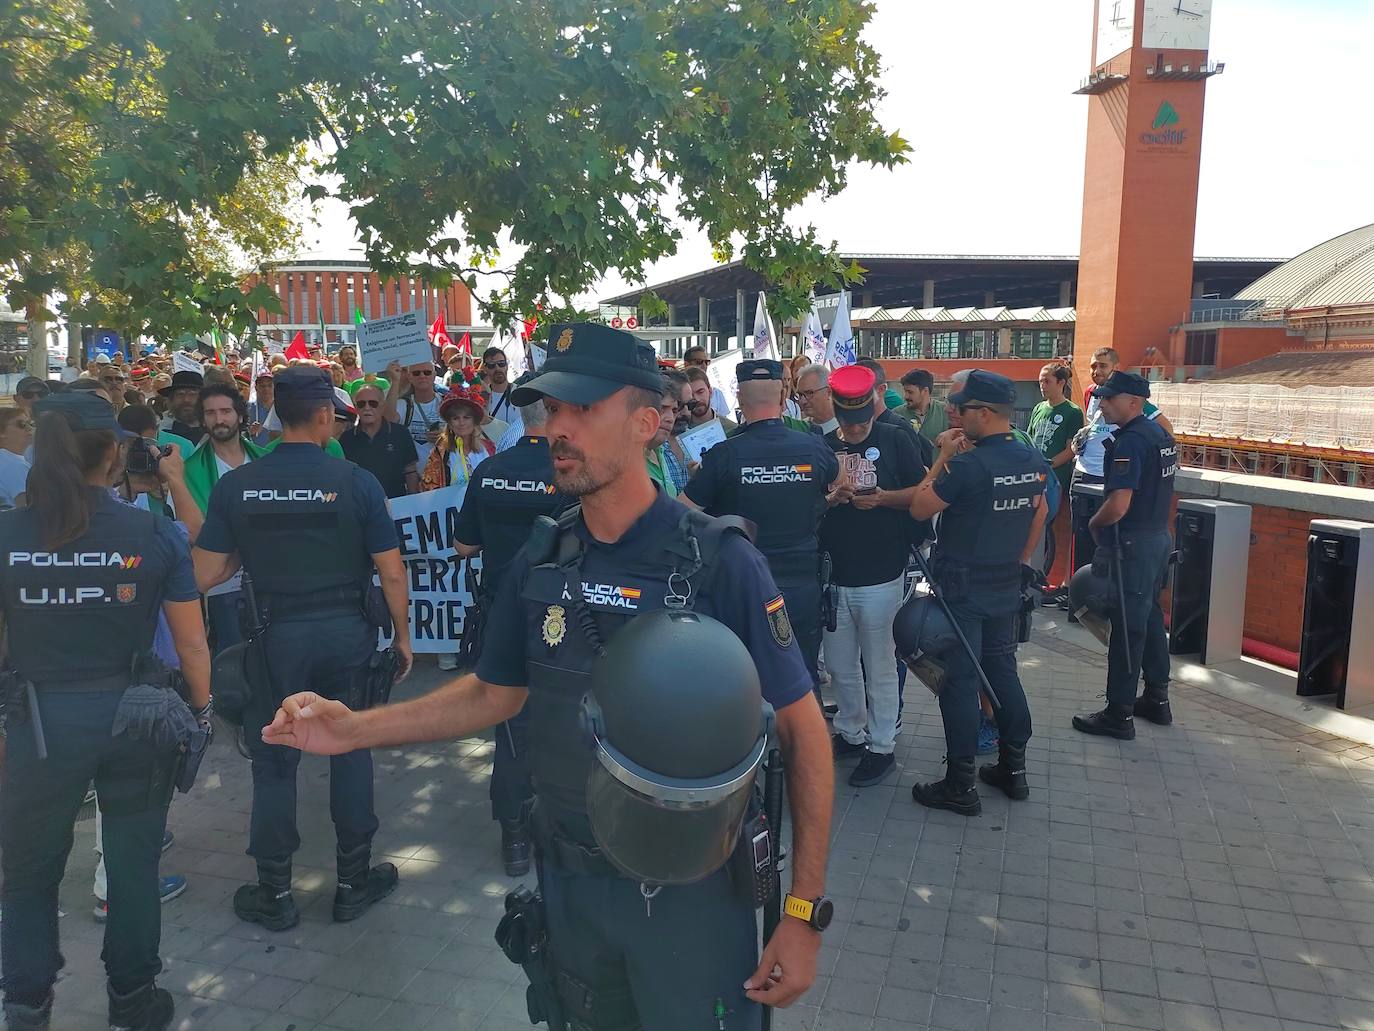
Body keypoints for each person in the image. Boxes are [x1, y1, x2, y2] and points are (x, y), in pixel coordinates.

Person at [259, 323, 834, 1030]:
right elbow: (494, 691)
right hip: (570, 894)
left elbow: (804, 732)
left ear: (647, 423)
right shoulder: (544, 556)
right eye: (551, 408)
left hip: (692, 899)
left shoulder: (720, 561)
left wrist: (803, 913)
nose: (558, 428)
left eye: (582, 410)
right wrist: (354, 729)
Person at [0, 392, 211, 1031]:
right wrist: (201, 713)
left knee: (28, 873)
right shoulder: (148, 532)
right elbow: (192, 639)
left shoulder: (9, 532)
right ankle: (132, 1000)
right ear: (114, 453)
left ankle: (26, 1002)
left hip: (38, 724)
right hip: (135, 718)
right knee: (131, 866)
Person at [192, 366, 413, 933]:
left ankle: (275, 891)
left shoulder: (236, 486)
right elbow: (391, 574)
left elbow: (206, 571)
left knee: (273, 761)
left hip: (274, 640)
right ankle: (352, 883)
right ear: (322, 416)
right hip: (347, 637)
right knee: (350, 748)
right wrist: (404, 636)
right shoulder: (358, 482)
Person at [907, 370, 1049, 816]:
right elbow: (1040, 510)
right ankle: (1014, 770)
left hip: (962, 589)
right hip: (1005, 582)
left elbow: (919, 507)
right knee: (1003, 672)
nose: (955, 414)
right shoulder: (1031, 458)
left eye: (962, 408)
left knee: (961, 684)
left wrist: (942, 458)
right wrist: (1021, 560)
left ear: (984, 414)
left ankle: (960, 784)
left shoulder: (968, 465)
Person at [453, 394, 572, 876]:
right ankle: (560, 828)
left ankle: (515, 838)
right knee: (564, 720)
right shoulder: (567, 472)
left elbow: (464, 544)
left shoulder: (488, 470)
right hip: (559, 617)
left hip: (502, 612)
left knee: (509, 727)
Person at [683, 360, 840, 702]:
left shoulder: (724, 455)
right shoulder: (812, 447)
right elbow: (839, 483)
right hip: (801, 585)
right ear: (783, 396)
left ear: (739, 397)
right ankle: (802, 752)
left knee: (743, 676)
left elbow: (682, 512)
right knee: (802, 674)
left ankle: (755, 752)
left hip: (742, 584)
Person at [820, 364, 924, 787]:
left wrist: (882, 500)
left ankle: (882, 745)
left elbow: (922, 497)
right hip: (835, 574)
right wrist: (832, 498)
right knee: (842, 666)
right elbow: (812, 502)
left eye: (863, 422)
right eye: (849, 424)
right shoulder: (823, 445)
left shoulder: (898, 438)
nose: (857, 430)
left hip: (882, 572)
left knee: (879, 664)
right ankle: (850, 731)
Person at [1072, 371, 1178, 740]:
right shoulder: (1160, 436)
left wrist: (1095, 526)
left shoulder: (1132, 441)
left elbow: (1118, 505)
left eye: (1109, 398)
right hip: (1156, 538)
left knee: (1128, 631)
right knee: (1149, 620)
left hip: (1132, 544)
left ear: (1135, 402)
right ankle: (1157, 700)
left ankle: (1119, 714)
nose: (1102, 404)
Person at [1069, 347, 1172, 580]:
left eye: (1103, 366)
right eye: (1093, 366)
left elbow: (1165, 430)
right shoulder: (1091, 394)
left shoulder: (1129, 399)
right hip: (1083, 470)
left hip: (1109, 479)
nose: (1096, 371)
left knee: (1105, 541)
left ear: (1115, 367)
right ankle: (1077, 590)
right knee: (1080, 536)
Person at [1028, 362, 1085, 598]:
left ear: (1061, 383)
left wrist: (1049, 465)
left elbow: (1070, 448)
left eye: (1047, 381)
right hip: (1035, 476)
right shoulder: (1039, 408)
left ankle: (1055, 580)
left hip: (1056, 480)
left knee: (1054, 530)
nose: (1042, 386)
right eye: (1040, 381)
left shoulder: (1072, 412)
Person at [339, 383, 420, 498]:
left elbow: (410, 471)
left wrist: (414, 501)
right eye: (361, 404)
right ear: (356, 408)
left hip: (395, 505)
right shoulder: (346, 438)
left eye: (373, 403)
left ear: (382, 406)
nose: (367, 408)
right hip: (360, 507)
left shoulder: (401, 433)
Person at [420, 387, 494, 494]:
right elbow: (428, 491)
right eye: (455, 418)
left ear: (474, 421)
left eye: (466, 417)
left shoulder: (490, 449)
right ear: (449, 423)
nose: (461, 423)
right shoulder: (439, 454)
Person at [384, 359, 449, 470]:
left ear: (434, 376)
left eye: (427, 372)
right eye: (416, 373)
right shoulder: (405, 404)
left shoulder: (447, 403)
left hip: (445, 475)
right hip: (414, 476)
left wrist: (445, 438)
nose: (422, 376)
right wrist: (395, 381)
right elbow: (388, 419)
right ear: (410, 377)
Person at [897, 368, 948, 446]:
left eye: (910, 392)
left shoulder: (945, 411)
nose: (906, 396)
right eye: (905, 391)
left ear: (925, 391)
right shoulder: (896, 414)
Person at [682, 344, 733, 417]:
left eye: (706, 362)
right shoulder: (676, 392)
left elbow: (724, 421)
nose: (704, 365)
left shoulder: (717, 394)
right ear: (686, 363)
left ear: (710, 391)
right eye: (699, 361)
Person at [683, 366, 738, 434]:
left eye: (700, 392)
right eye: (691, 395)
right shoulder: (677, 432)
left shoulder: (731, 429)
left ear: (710, 391)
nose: (697, 399)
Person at [157, 370, 205, 445]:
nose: (186, 399)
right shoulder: (160, 431)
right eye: (180, 394)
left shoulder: (215, 431)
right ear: (171, 399)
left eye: (192, 394)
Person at [0, 409, 33, 508]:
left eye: (29, 423)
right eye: (22, 424)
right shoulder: (13, 465)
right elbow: (26, 508)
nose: (29, 428)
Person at [480, 345, 519, 425]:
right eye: (491, 365)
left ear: (507, 366)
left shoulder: (520, 393)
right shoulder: (481, 398)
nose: (497, 368)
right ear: (484, 369)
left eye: (501, 364)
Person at [795, 364, 838, 434]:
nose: (803, 401)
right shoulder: (800, 429)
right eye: (800, 395)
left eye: (809, 393)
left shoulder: (846, 431)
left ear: (829, 392)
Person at [246, 369, 274, 446]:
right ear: (256, 388)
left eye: (269, 385)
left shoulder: (281, 408)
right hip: (255, 453)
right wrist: (249, 432)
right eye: (262, 385)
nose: (266, 388)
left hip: (277, 453)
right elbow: (237, 434)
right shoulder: (247, 408)